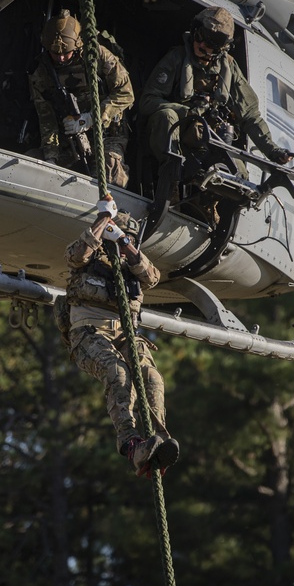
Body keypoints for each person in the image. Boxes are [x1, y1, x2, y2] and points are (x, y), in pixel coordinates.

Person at [63, 198, 179, 477]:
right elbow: (77, 255)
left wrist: (125, 242)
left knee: (151, 377)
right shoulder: (86, 257)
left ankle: (158, 439)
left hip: (125, 334)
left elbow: (151, 276)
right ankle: (130, 443)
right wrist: (103, 220)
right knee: (118, 374)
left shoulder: (135, 267)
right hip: (88, 333)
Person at [139, 7, 294, 208]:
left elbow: (250, 116)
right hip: (177, 132)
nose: (202, 44)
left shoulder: (229, 69)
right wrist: (184, 112)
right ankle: (171, 183)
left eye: (212, 43)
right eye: (201, 36)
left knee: (239, 172)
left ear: (222, 48)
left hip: (208, 138)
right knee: (166, 115)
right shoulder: (176, 59)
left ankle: (209, 205)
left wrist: (274, 152)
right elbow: (148, 101)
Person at [28, 10, 134, 188]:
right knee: (31, 165)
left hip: (108, 136)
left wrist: (93, 117)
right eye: (55, 53)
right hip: (69, 141)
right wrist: (51, 156)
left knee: (110, 174)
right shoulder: (41, 75)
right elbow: (47, 119)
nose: (61, 58)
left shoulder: (98, 56)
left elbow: (126, 93)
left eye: (66, 52)